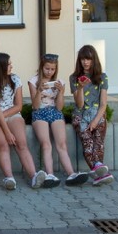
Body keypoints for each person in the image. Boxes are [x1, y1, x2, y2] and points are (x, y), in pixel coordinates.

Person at [0, 53, 57, 189]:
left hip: (7, 114)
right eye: (8, 64)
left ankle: (34, 176)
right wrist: (6, 130)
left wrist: (0, 117)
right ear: (0, 66)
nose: (11, 66)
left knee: (21, 143)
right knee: (2, 144)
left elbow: (18, 106)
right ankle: (9, 178)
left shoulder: (15, 79)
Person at [28, 53, 87, 186]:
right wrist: (39, 90)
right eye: (47, 68)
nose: (49, 72)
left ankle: (71, 174)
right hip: (40, 113)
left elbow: (60, 107)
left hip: (55, 112)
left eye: (52, 69)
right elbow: (35, 106)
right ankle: (50, 175)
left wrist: (60, 92)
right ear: (42, 67)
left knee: (62, 144)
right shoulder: (33, 81)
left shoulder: (60, 82)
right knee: (46, 144)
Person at [70, 45, 114, 186]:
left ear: (94, 60)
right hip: (80, 115)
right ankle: (101, 172)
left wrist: (95, 121)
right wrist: (80, 87)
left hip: (97, 113)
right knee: (88, 144)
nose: (86, 62)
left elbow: (103, 104)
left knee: (98, 144)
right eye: (83, 59)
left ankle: (98, 172)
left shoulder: (102, 77)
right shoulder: (74, 78)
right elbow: (80, 105)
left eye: (88, 59)